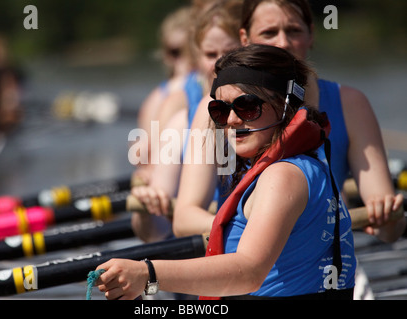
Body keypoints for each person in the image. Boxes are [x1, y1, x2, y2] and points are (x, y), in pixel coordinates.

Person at [95, 45, 357, 300]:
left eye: (247, 106)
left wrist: (147, 273)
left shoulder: (283, 176)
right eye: (220, 110)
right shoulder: (306, 163)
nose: (231, 120)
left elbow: (249, 271)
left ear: (285, 105)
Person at [173, 0, 406, 243]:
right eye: (269, 32)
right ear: (245, 38)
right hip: (243, 256)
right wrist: (263, 226)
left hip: (324, 268)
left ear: (311, 35)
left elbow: (389, 232)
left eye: (293, 31)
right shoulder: (214, 109)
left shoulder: (351, 104)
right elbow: (184, 219)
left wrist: (389, 218)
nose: (283, 42)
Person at [130, 0, 242, 243]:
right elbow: (154, 234)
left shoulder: (275, 112)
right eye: (211, 54)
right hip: (201, 237)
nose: (220, 63)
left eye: (230, 52)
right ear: (198, 58)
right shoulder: (179, 114)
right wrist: (147, 207)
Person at [132, 6, 195, 186]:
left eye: (189, 50)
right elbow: (141, 155)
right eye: (175, 52)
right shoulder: (159, 97)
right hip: (167, 183)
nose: (182, 60)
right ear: (165, 54)